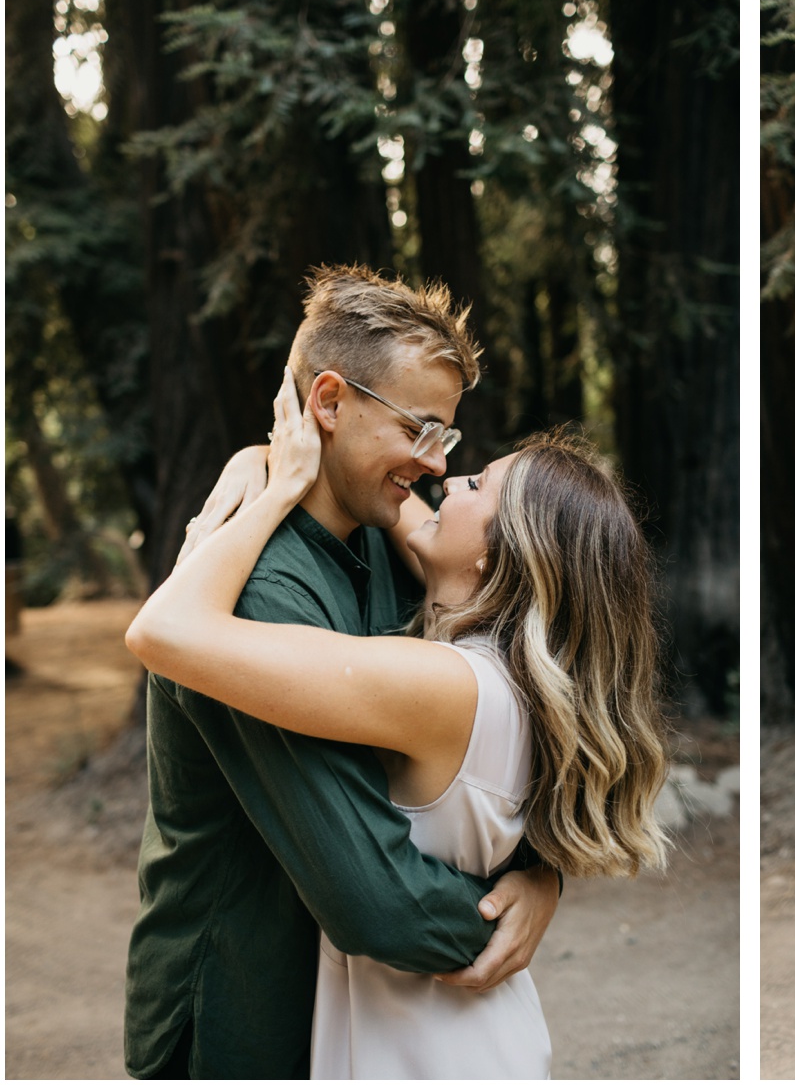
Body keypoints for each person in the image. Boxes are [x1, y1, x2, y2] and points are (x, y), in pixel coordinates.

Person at [128, 371, 670, 1077]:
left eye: (478, 484)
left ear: (499, 555)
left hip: (426, 1050)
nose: (446, 476)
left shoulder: (444, 682)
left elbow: (164, 629)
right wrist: (257, 460)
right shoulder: (526, 676)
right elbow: (396, 500)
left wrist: (277, 490)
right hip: (467, 1036)